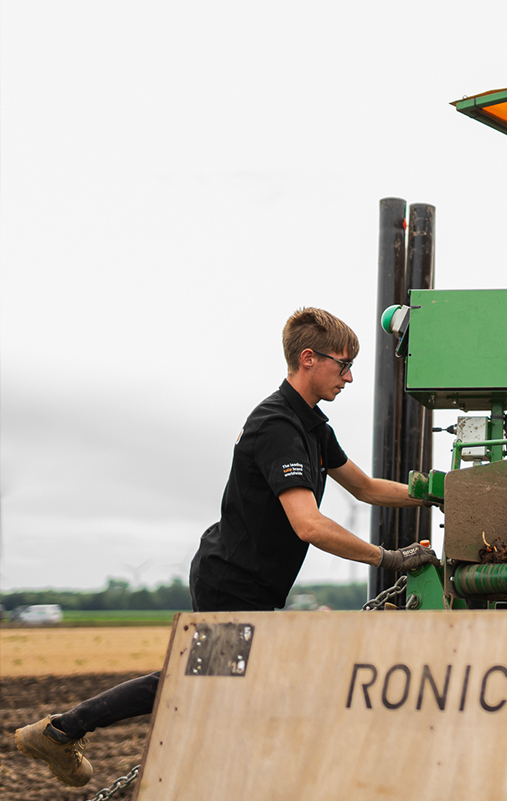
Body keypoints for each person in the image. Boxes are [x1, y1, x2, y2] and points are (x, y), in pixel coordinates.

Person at [14, 307, 438, 787]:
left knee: (199, 684)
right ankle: (60, 732)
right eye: (343, 365)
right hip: (231, 581)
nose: (351, 377)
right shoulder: (276, 425)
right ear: (308, 359)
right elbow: (309, 525)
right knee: (193, 682)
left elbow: (363, 488)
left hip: (249, 582)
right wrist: (388, 557)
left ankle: (62, 733)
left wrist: (436, 493)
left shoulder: (313, 426)